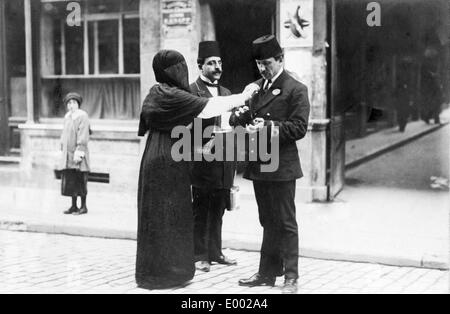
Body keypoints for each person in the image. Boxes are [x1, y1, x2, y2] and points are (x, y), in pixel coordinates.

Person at [136, 50, 259, 289]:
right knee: (166, 214)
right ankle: (162, 273)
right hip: (165, 159)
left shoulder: (160, 92)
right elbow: (209, 108)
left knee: (169, 214)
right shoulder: (168, 93)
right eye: (179, 67)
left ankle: (170, 270)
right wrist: (244, 96)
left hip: (164, 155)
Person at [230, 35, 310, 294]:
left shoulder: (296, 88)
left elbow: (299, 128)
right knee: (267, 220)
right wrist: (240, 117)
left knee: (286, 221)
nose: (263, 69)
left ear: (280, 59)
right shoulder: (255, 88)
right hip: (261, 162)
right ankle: (266, 273)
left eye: (267, 63)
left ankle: (291, 277)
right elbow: (240, 117)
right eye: (259, 64)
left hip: (283, 165)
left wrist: (269, 127)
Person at [190, 41, 238, 273]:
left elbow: (231, 125)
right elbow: (187, 129)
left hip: (224, 163)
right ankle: (199, 255)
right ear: (201, 66)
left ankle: (216, 252)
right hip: (202, 162)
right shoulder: (191, 92)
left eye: (219, 62)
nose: (217, 67)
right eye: (211, 63)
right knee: (201, 209)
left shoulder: (226, 93)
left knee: (219, 207)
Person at [59, 92, 90, 215]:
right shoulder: (67, 117)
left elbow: (83, 135)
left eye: (74, 103)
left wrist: (79, 151)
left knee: (80, 180)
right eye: (69, 103)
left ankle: (83, 206)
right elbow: (64, 135)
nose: (71, 105)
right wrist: (62, 148)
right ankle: (73, 206)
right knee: (71, 179)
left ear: (78, 104)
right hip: (68, 154)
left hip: (78, 154)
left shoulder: (83, 116)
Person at [420, 47, 443, 125]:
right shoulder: (425, 63)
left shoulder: (435, 62)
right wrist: (432, 75)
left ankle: (434, 118)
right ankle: (431, 118)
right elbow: (424, 73)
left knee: (436, 102)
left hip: (435, 85)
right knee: (433, 103)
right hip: (429, 86)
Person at [394, 56, 414, 132]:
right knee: (402, 112)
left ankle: (402, 125)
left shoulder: (408, 74)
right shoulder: (404, 73)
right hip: (402, 96)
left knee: (403, 112)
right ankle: (402, 125)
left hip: (404, 96)